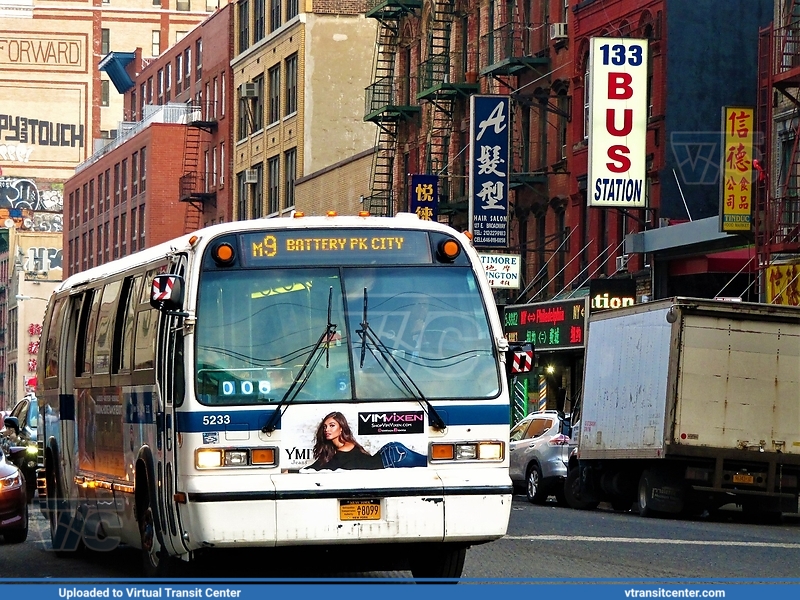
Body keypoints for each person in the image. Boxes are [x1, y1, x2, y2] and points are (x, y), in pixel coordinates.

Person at [308, 412, 383, 470]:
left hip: (388, 458)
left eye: (332, 425)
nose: (326, 430)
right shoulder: (338, 449)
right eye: (325, 427)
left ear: (341, 428)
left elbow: (319, 467)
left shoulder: (344, 449)